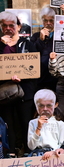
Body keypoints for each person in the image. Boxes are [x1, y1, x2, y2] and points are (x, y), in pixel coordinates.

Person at [0, 11, 38, 155]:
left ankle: (28, 152)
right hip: (6, 92)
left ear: (19, 26)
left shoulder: (28, 44)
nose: (8, 28)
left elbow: (34, 67)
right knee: (8, 124)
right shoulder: (0, 45)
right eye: (5, 25)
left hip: (25, 90)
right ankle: (11, 153)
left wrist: (23, 77)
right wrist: (3, 46)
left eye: (11, 25)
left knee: (26, 122)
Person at [27, 89, 64, 157]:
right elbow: (31, 146)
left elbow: (62, 145)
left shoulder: (60, 124)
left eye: (49, 106)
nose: (45, 109)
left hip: (54, 154)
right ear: (36, 106)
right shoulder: (32, 123)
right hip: (36, 154)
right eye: (41, 106)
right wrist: (38, 128)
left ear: (55, 105)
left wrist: (53, 152)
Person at [30, 6, 58, 91]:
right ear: (42, 21)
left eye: (51, 20)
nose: (48, 23)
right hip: (40, 78)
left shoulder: (58, 35)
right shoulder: (35, 36)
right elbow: (32, 55)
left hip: (55, 78)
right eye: (45, 20)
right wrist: (41, 40)